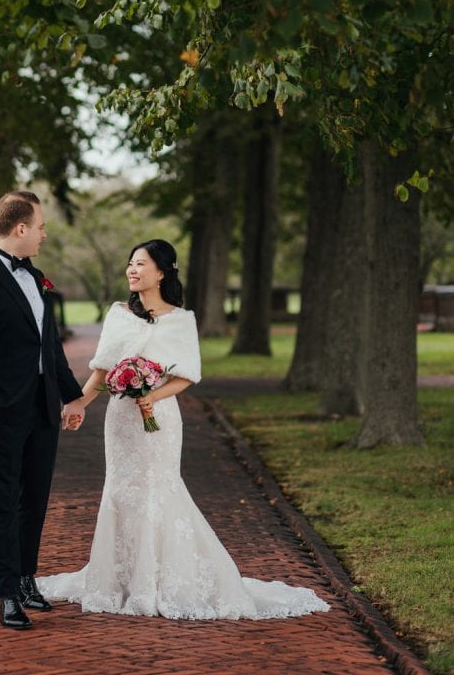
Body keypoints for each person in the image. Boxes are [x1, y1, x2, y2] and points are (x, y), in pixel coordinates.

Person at [38, 238, 331, 621]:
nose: (132, 269)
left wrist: (154, 395)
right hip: (121, 420)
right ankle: (122, 579)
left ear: (162, 271)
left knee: (160, 488)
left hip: (159, 422)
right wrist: (78, 404)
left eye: (140, 263)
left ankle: (168, 579)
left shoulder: (181, 320)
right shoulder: (118, 314)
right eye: (130, 263)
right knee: (121, 491)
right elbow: (102, 371)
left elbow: (187, 376)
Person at [0, 190, 85, 631]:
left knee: (35, 500)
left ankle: (27, 580)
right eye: (40, 226)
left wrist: (72, 395)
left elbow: (50, 347)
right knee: (2, 503)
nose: (44, 233)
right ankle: (6, 595)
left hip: (43, 408)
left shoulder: (37, 276)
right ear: (20, 228)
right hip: (0, 412)